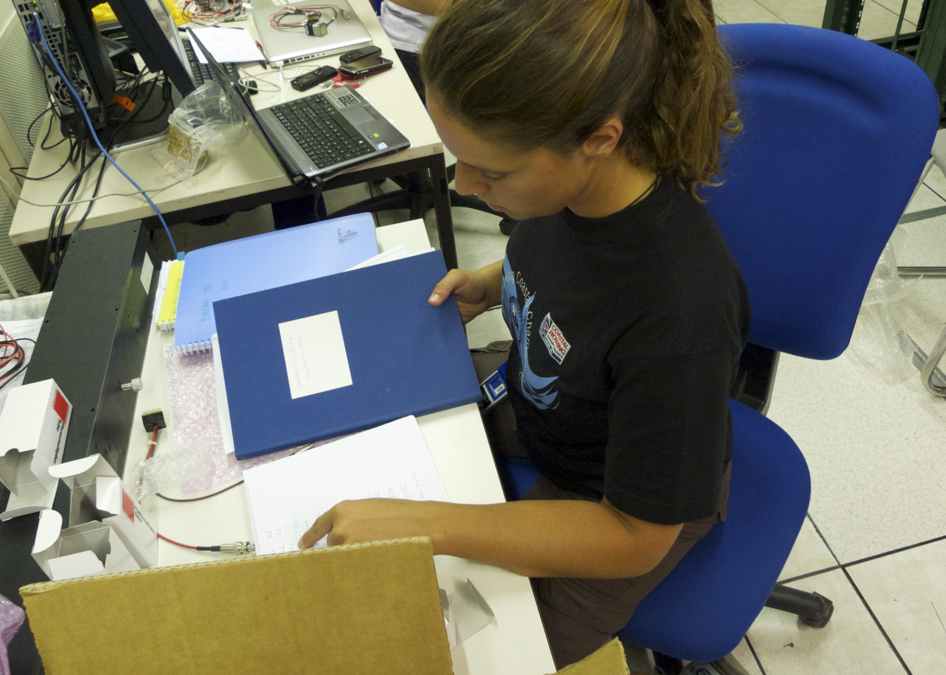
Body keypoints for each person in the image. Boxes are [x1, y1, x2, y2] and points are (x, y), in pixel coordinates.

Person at [299, 0, 749, 667]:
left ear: (599, 139)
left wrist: (430, 526)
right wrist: (490, 283)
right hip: (550, 412)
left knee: (450, 650)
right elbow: (562, 265)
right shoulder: (565, 191)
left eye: (493, 171)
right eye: (460, 158)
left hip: (614, 506)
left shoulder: (679, 313)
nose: (464, 185)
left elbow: (636, 536)